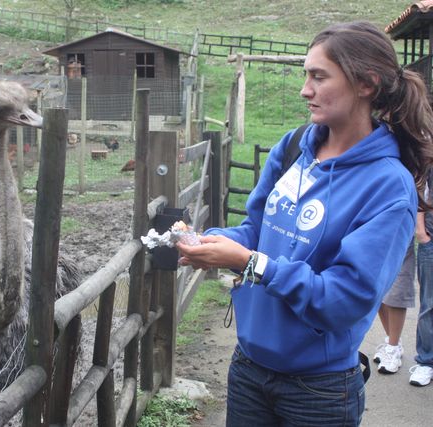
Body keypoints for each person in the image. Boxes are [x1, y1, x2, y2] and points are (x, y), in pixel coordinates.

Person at [177, 21, 433, 426]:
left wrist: (250, 264)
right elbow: (255, 231)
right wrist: (211, 242)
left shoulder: (388, 186)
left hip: (317, 392)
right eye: (305, 75)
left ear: (366, 84)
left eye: (319, 76)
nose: (305, 89)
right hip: (247, 370)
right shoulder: (295, 145)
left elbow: (345, 300)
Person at [374, 242, 416, 374]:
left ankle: (393, 347)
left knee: (397, 291)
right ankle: (393, 343)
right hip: (377, 233)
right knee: (377, 289)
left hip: (400, 233)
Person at [410, 173, 433, 387]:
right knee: (429, 304)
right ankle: (426, 361)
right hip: (431, 239)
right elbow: (420, 186)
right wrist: (421, 233)